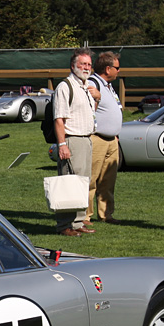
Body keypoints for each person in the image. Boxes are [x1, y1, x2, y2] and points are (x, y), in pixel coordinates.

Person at [53, 48, 100, 237]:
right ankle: (64, 225)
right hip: (72, 140)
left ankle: (78, 222)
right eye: (83, 64)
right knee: (69, 183)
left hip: (87, 139)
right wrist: (62, 144)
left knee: (83, 183)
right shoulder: (65, 86)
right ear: (73, 66)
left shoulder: (86, 86)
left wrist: (97, 97)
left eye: (89, 64)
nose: (87, 68)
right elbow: (58, 119)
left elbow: (89, 113)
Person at [87, 51, 123, 225]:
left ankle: (106, 214)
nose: (119, 71)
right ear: (108, 69)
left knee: (108, 180)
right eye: (117, 67)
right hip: (97, 138)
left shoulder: (108, 86)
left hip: (111, 140)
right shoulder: (93, 84)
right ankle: (85, 216)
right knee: (91, 179)